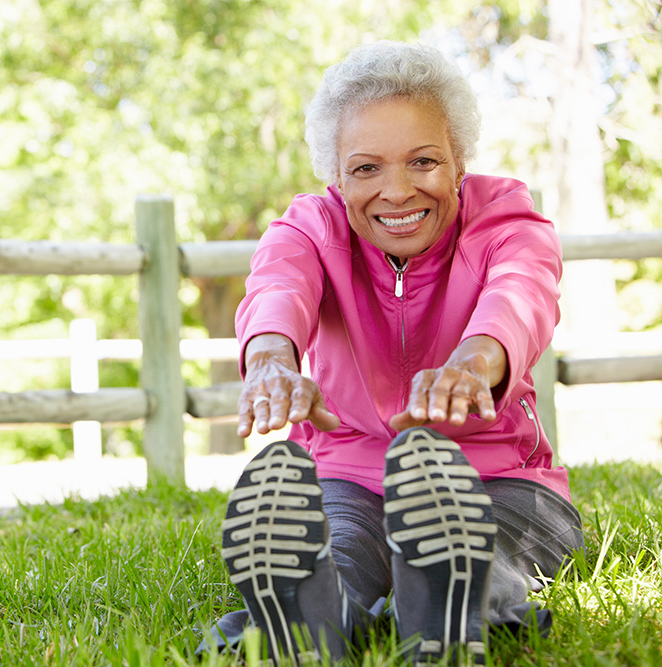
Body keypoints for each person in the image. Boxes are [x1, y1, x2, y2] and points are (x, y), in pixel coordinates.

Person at [203, 41, 585, 665]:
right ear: (336, 176)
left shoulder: (506, 219)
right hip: (347, 476)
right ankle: (308, 618)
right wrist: (272, 361)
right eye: (367, 169)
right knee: (342, 555)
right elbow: (278, 287)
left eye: (424, 161)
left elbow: (523, 294)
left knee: (488, 554)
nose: (398, 191)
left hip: (502, 481)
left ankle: (449, 605)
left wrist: (473, 363)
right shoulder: (311, 226)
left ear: (460, 159)